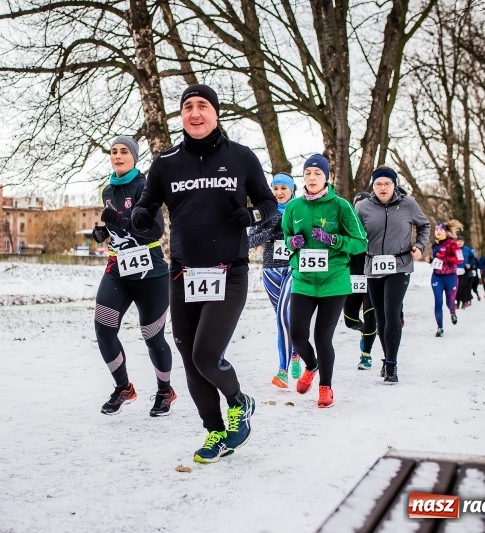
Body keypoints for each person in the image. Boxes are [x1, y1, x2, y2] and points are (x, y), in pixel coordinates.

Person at [131, 84, 277, 463]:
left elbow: (269, 204)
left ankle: (239, 402)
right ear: (181, 115)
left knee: (206, 355)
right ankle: (215, 431)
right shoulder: (166, 163)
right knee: (189, 355)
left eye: (202, 106)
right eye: (188, 107)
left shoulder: (241, 157)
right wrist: (140, 216)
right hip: (183, 275)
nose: (195, 113)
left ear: (216, 113)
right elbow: (147, 207)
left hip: (229, 272)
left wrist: (252, 214)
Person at [91, 136, 176, 416]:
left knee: (152, 336)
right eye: (113, 151)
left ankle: (165, 391)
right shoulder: (107, 190)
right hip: (118, 268)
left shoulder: (145, 187)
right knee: (103, 329)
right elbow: (120, 228)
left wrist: (115, 220)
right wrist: (104, 232)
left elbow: (154, 232)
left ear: (134, 158)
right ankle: (123, 387)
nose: (117, 156)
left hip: (150, 271)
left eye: (124, 151)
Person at [282, 153, 367, 406]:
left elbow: (360, 242)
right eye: (307, 173)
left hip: (334, 281)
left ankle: (325, 388)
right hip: (304, 280)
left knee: (322, 338)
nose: (312, 177)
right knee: (297, 335)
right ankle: (311, 365)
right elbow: (286, 236)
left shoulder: (341, 206)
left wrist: (334, 240)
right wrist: (292, 242)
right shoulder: (294, 207)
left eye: (317, 173)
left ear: (327, 177)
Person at [355, 166, 430, 383]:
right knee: (380, 316)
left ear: (394, 184)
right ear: (373, 186)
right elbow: (352, 232)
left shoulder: (408, 204)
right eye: (378, 184)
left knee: (392, 312)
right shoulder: (363, 207)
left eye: (387, 183)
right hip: (373, 265)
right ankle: (387, 356)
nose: (382, 188)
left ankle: (391, 364)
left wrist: (419, 246)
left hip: (400, 265)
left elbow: (424, 225)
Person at [247, 172, 303, 388]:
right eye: (275, 188)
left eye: (283, 188)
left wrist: (296, 239)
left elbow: (309, 237)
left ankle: (282, 371)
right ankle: (295, 352)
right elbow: (249, 241)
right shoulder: (265, 211)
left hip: (294, 268)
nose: (279, 192)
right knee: (284, 318)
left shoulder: (300, 210)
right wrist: (271, 230)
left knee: (283, 315)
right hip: (270, 271)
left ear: (292, 190)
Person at [343, 191, 378, 371]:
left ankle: (366, 355)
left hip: (371, 278)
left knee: (370, 315)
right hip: (351, 278)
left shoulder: (376, 226)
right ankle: (363, 330)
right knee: (349, 320)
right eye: (358, 207)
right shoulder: (346, 225)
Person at [427, 221, 463, 337]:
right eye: (436, 229)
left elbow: (460, 259)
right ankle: (440, 328)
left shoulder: (452, 243)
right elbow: (437, 261)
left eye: (441, 230)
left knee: (450, 302)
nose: (438, 231)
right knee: (438, 301)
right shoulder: (435, 245)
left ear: (445, 231)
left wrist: (445, 258)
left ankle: (453, 312)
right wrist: (431, 261)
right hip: (437, 276)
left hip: (450, 277)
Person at [454, 235, 476, 309]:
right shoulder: (453, 249)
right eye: (458, 241)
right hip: (455, 270)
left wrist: (469, 264)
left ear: (463, 242)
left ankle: (464, 301)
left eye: (461, 241)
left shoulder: (467, 249)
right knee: (456, 286)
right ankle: (457, 301)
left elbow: (472, 258)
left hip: (464, 270)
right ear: (456, 242)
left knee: (464, 285)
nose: (460, 243)